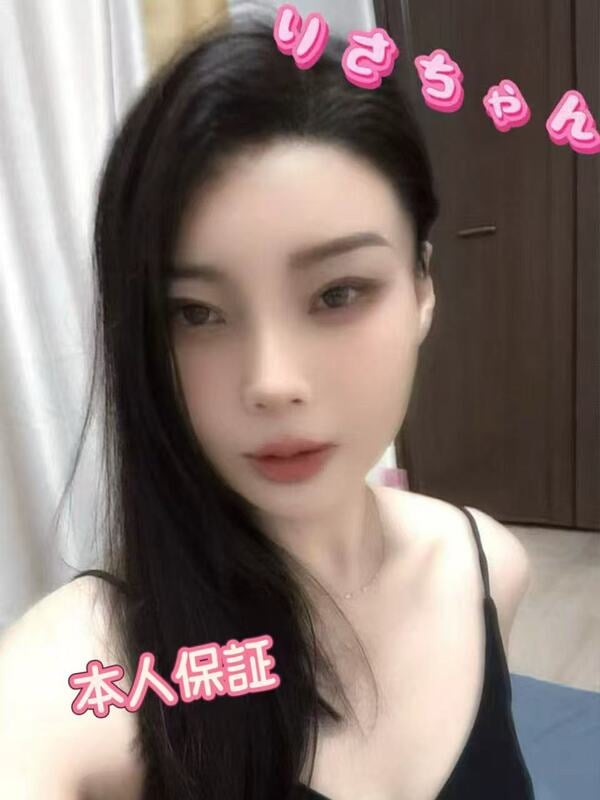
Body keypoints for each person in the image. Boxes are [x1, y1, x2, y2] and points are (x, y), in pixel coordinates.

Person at [0, 11, 535, 800]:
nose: (272, 381)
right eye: (197, 313)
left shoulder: (490, 569)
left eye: (338, 293)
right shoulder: (85, 674)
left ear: (422, 286)